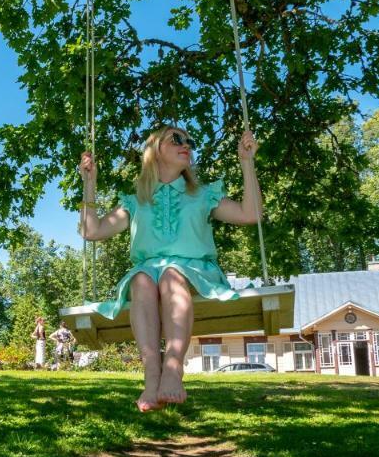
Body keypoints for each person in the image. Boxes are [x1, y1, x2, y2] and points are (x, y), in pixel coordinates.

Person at [79, 126, 262, 411]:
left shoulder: (202, 195)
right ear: (154, 151)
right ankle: (152, 376)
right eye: (176, 139)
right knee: (140, 278)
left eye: (189, 140)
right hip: (147, 274)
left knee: (171, 274)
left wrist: (247, 164)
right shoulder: (137, 200)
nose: (186, 144)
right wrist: (89, 184)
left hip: (195, 272)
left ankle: (174, 369)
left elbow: (250, 214)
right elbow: (92, 231)